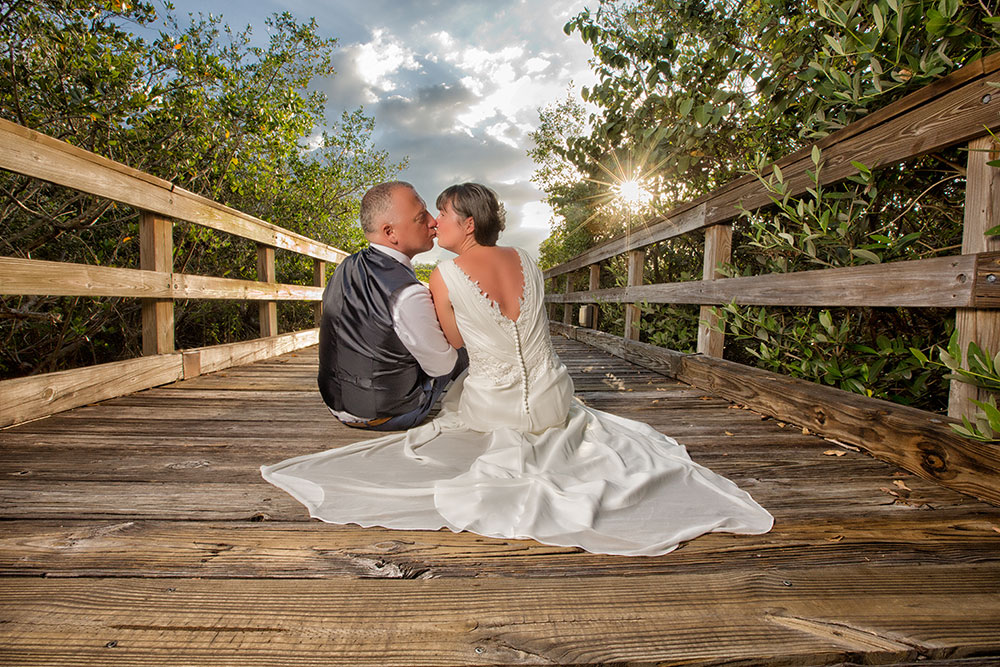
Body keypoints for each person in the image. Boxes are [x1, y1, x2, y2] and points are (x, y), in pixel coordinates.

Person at [263, 183, 773, 557]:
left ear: (467, 223)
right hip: (554, 396)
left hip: (496, 407)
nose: (435, 223)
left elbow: (453, 348)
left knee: (460, 384)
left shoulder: (439, 277)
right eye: (429, 216)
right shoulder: (527, 260)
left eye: (439, 214)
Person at [316, 180, 467, 431]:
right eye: (421, 217)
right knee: (463, 349)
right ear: (390, 233)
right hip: (388, 414)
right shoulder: (408, 293)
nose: (433, 222)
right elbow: (444, 367)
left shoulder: (346, 266)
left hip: (336, 404)